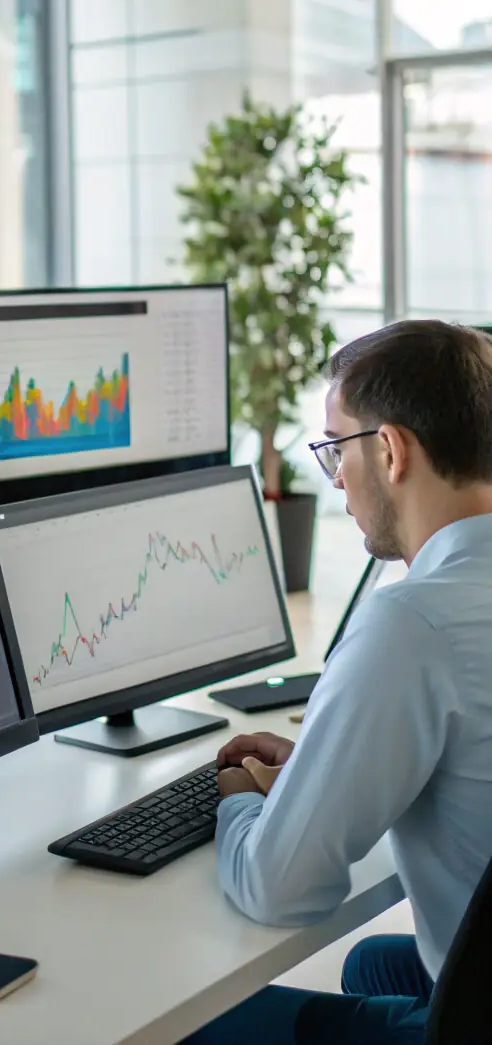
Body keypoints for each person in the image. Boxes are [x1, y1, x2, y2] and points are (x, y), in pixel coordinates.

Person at [185, 320, 492, 1044]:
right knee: (370, 964)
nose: (335, 478)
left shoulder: (413, 622)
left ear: (390, 450)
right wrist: (323, 767)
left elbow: (280, 890)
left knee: (194, 1025)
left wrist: (239, 800)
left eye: (334, 448)